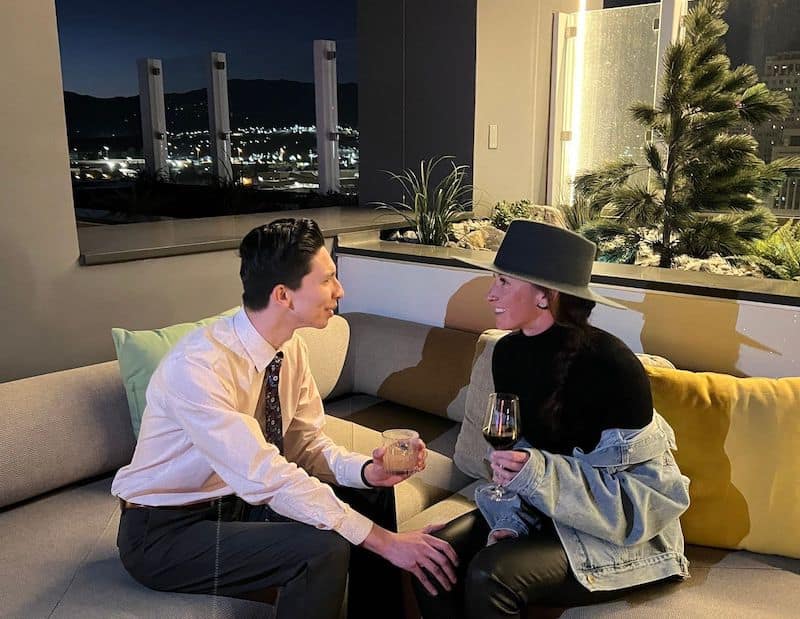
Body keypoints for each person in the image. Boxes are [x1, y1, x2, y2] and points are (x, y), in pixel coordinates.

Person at [112, 218, 457, 619]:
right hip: (166, 533)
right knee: (322, 548)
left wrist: (368, 471)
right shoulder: (200, 367)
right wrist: (385, 541)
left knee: (367, 493)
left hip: (236, 504)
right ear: (283, 295)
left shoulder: (288, 351)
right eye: (328, 280)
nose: (340, 291)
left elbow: (308, 446)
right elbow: (269, 475)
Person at [414, 219, 691, 618]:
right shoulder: (506, 354)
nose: (490, 294)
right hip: (545, 514)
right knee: (432, 558)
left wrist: (535, 473)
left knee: (490, 574)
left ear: (545, 295)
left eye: (504, 282)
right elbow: (520, 459)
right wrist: (509, 516)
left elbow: (644, 504)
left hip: (621, 537)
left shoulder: (612, 365)